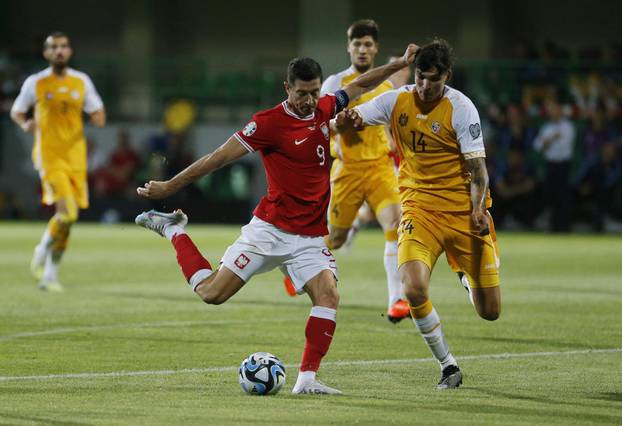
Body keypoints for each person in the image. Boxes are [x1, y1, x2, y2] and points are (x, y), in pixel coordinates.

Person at [134, 45, 418, 395]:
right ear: (287, 88)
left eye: (314, 92)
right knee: (211, 293)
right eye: (302, 94)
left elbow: (360, 85)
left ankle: (307, 381)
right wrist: (170, 186)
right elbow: (218, 158)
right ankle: (174, 229)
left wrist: (400, 65)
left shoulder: (325, 107)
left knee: (328, 296)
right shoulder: (267, 124)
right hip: (269, 231)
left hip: (309, 238)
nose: (310, 100)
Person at [337, 39, 501, 389]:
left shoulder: (461, 107)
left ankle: (465, 273)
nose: (426, 86)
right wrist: (347, 119)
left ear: (447, 76)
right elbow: (353, 118)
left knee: (489, 311)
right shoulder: (397, 100)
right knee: (413, 289)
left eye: (434, 79)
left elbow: (479, 168)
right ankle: (448, 365)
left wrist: (476, 209)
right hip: (418, 209)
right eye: (421, 77)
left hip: (462, 213)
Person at [309, 19, 407, 323]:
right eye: (357, 44)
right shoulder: (335, 84)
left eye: (368, 44)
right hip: (347, 170)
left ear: (375, 48)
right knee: (336, 239)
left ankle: (397, 301)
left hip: (380, 168)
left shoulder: (388, 85)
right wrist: (340, 125)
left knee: (396, 223)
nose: (362, 50)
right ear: (348, 47)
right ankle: (300, 261)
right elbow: (319, 128)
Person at [10, 31, 105, 292]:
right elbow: (16, 111)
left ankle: (50, 274)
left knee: (68, 219)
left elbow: (98, 111)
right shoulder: (36, 83)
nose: (59, 51)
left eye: (63, 47)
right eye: (54, 47)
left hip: (76, 156)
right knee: (68, 212)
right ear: (46, 53)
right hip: (48, 155)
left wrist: (96, 117)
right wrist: (25, 122)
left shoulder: (81, 81)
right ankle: (41, 249)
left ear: (70, 52)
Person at [533, 99, 575, 232]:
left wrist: (548, 141)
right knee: (551, 196)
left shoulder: (568, 126)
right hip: (551, 165)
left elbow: (565, 145)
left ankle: (564, 227)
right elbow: (537, 146)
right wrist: (551, 139)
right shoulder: (546, 127)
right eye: (551, 109)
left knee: (563, 197)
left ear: (561, 110)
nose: (553, 111)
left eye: (556, 108)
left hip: (564, 165)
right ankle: (553, 226)